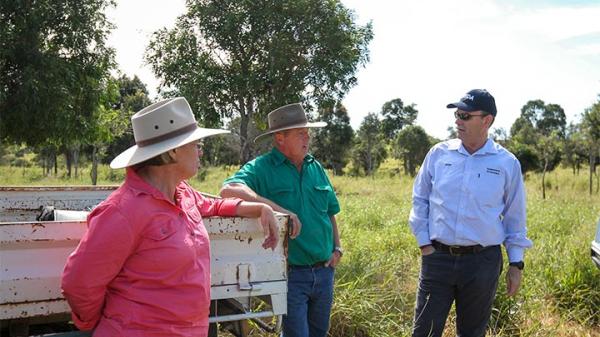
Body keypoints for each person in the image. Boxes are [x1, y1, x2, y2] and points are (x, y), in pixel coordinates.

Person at [61, 97, 279, 337]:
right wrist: (100, 324)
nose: (201, 150)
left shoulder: (182, 193)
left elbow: (212, 205)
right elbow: (78, 283)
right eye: (195, 144)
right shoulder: (123, 211)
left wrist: (258, 208)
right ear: (173, 151)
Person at [408, 89, 533, 337]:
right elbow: (420, 199)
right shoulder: (439, 154)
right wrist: (425, 245)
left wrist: (516, 263)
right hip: (438, 259)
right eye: (457, 114)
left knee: (472, 333)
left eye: (465, 116)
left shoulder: (506, 163)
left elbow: (514, 217)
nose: (457, 121)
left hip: (482, 263)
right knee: (424, 332)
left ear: (487, 121)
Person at [219, 103, 342, 337]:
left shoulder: (315, 167)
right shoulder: (263, 168)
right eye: (300, 133)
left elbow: (330, 213)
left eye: (307, 132)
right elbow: (229, 190)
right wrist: (277, 210)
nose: (307, 138)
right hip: (291, 275)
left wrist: (337, 248)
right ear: (280, 137)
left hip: (325, 271)